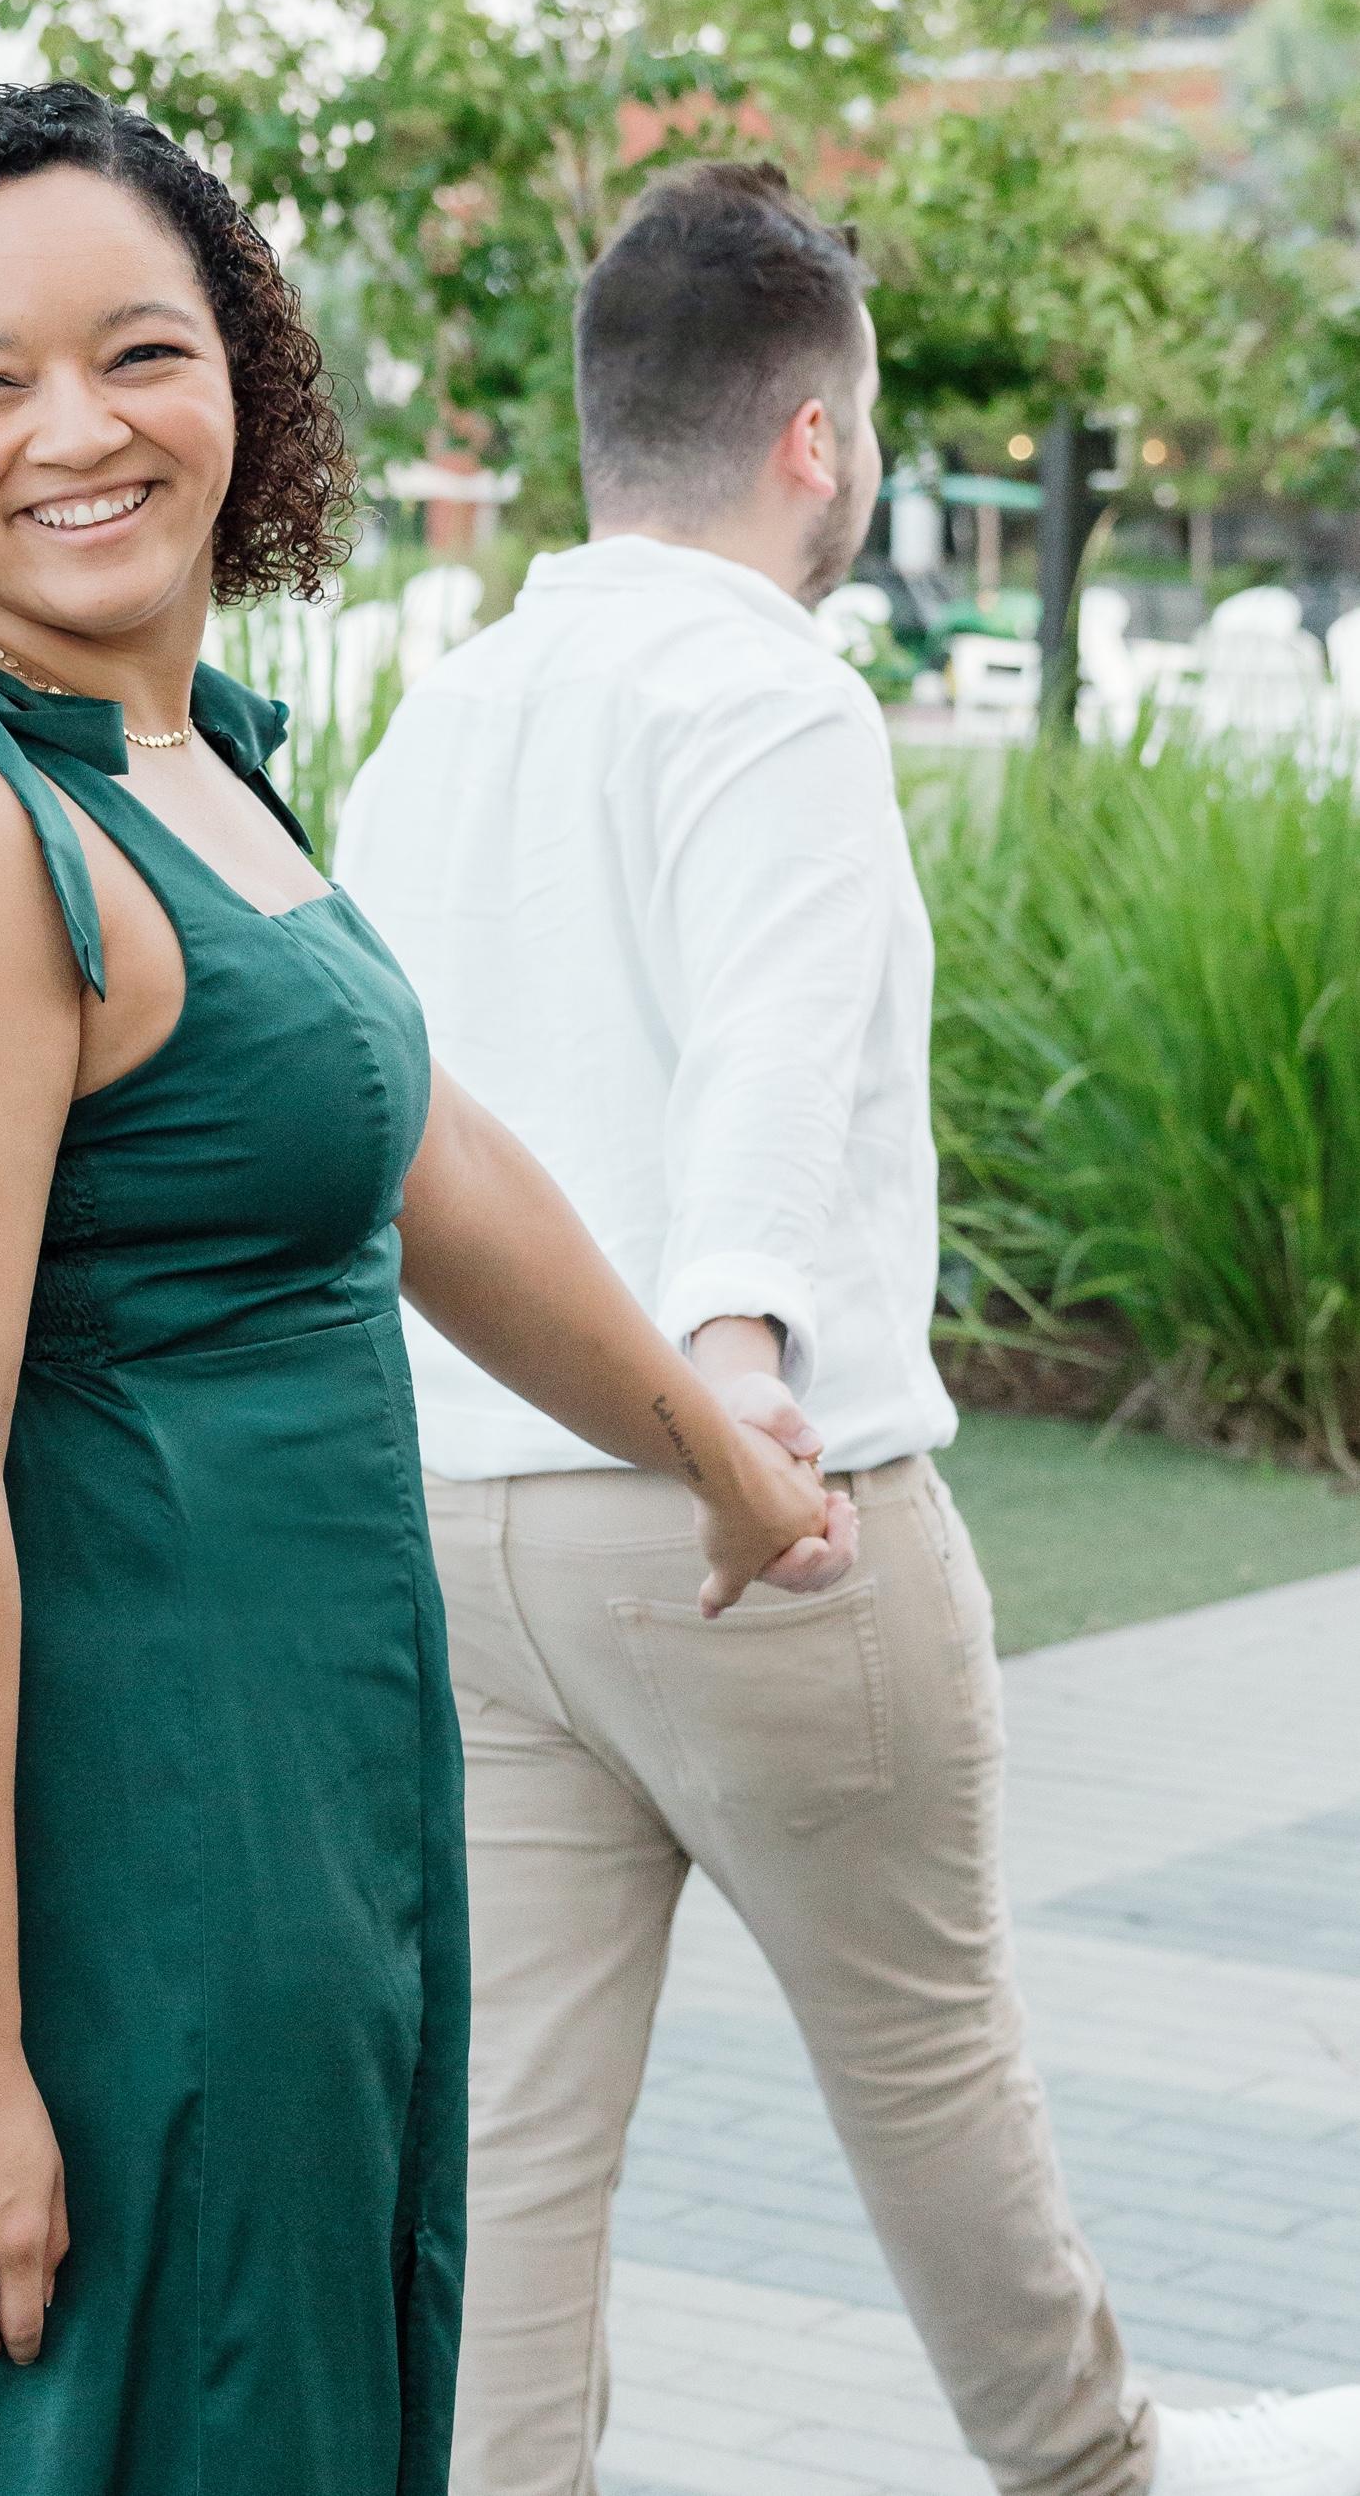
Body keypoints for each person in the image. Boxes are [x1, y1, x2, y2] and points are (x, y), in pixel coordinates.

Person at [0, 86, 850, 2496]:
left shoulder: (178, 759)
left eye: (139, 350)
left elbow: (424, 1159)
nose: (74, 430)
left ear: (242, 376)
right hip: (96, 1845)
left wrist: (706, 1449)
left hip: (292, 1793)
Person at [336, 159, 1360, 2496]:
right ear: (814, 438)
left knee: (505, 2150)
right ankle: (1093, 2467)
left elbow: (378, 1101)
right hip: (747, 1519)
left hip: (466, 1531)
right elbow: (770, 1057)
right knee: (925, 2065)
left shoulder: (441, 715)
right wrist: (735, 1374)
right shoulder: (770, 691)